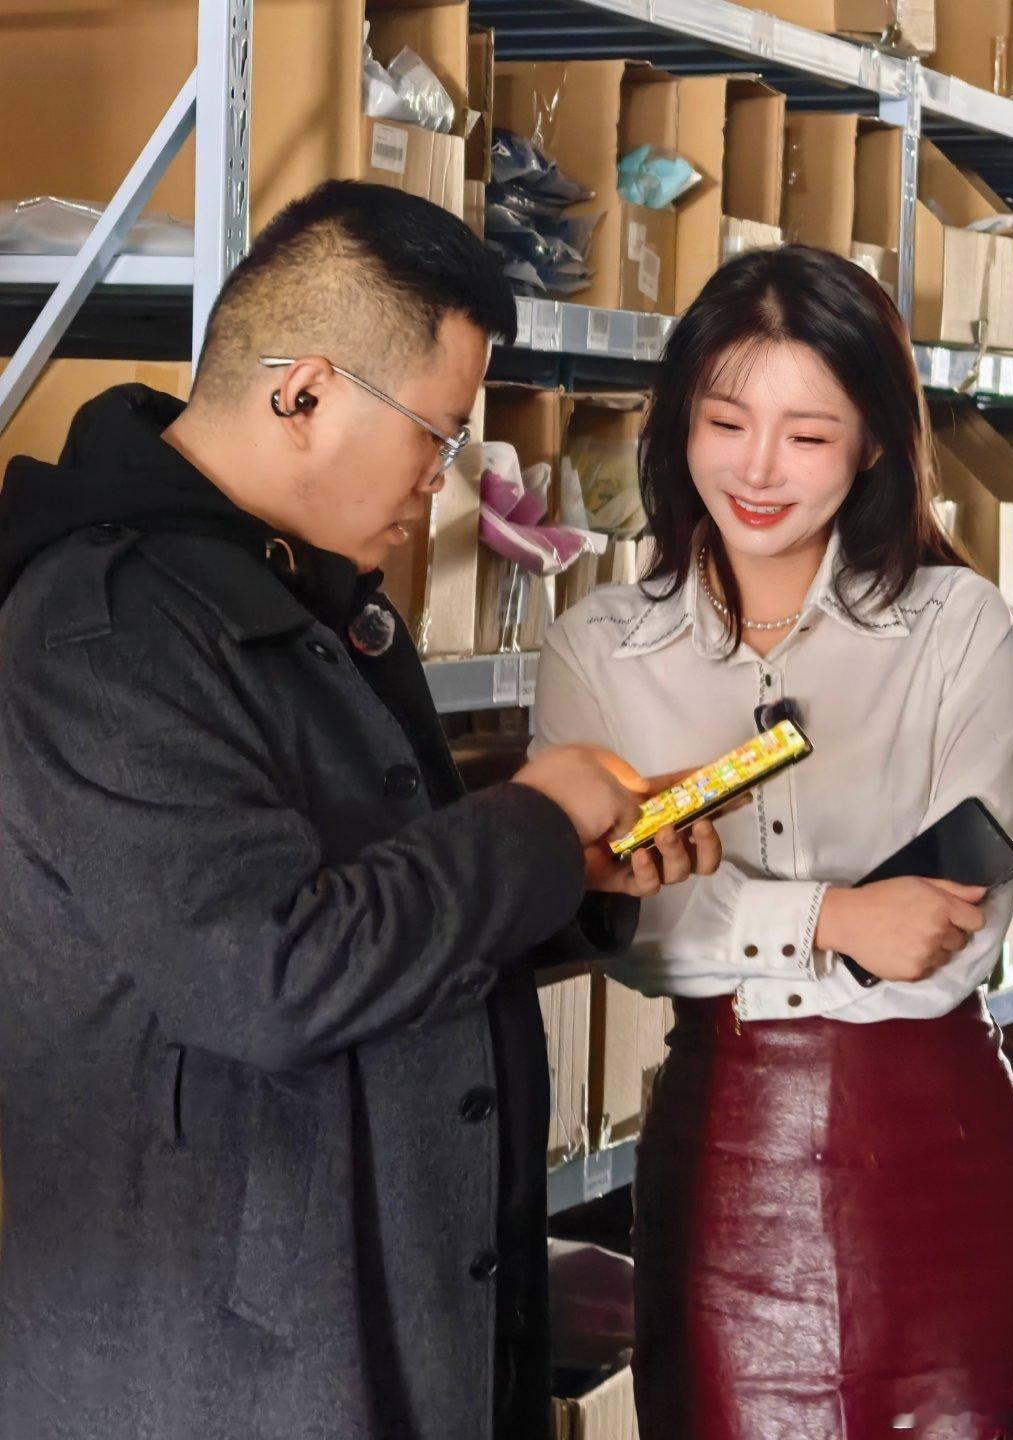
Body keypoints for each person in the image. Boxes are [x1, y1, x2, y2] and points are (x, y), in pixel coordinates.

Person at [0, 181, 721, 1440]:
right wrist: (533, 824)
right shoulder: (105, 634)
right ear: (304, 393)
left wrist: (571, 870)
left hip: (366, 1311)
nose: (444, 482)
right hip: (219, 1373)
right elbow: (273, 971)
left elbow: (379, 892)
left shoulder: (296, 590)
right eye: (437, 435)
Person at [531, 245, 1013, 1439]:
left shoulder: (956, 626)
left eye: (808, 436)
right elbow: (624, 928)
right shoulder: (598, 650)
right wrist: (832, 918)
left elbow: (951, 942)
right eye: (725, 423)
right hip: (725, 1166)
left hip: (942, 1162)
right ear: (680, 424)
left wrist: (728, 922)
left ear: (872, 445)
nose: (758, 469)